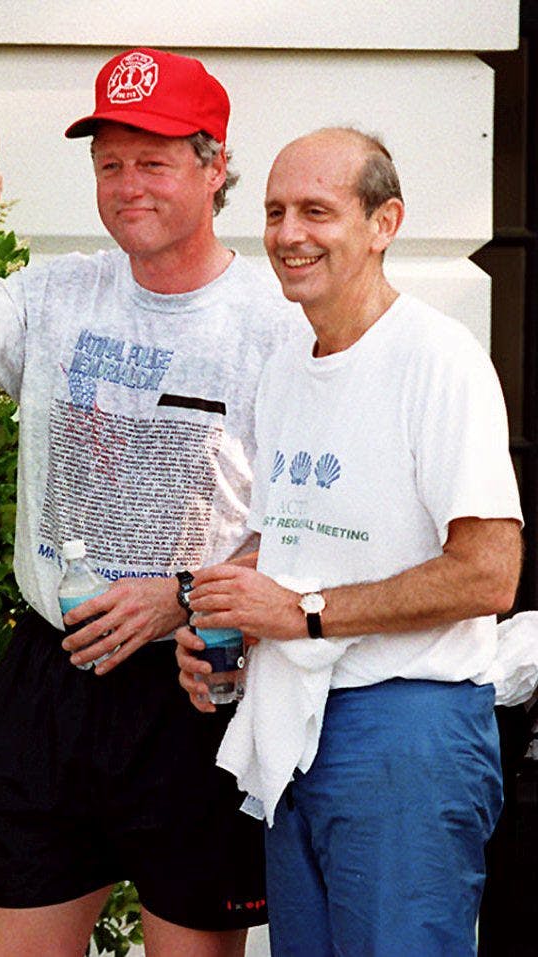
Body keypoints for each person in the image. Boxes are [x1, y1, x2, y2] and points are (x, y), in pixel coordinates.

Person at [0, 48, 300, 957]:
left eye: (154, 160)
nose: (126, 184)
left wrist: (182, 594)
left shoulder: (278, 321)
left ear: (214, 167)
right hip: (51, 680)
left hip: (197, 679)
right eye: (109, 163)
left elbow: (306, 525)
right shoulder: (56, 293)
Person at [176, 127, 524, 957]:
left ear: (383, 222)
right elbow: (291, 535)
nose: (289, 233)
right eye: (274, 211)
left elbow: (488, 573)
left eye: (317, 211)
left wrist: (301, 613)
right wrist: (215, 618)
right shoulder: (288, 365)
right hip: (293, 723)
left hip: (406, 730)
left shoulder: (437, 360)